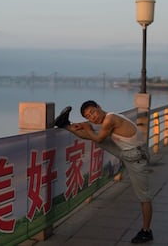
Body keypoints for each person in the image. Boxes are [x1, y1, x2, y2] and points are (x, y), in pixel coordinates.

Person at [55, 101, 153, 244]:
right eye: (89, 116)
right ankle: (65, 124)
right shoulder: (108, 117)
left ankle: (146, 231)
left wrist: (87, 127)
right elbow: (95, 132)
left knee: (144, 196)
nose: (93, 117)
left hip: (136, 158)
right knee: (93, 136)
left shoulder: (110, 119)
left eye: (93, 112)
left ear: (99, 107)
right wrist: (84, 125)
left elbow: (99, 137)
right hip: (130, 153)